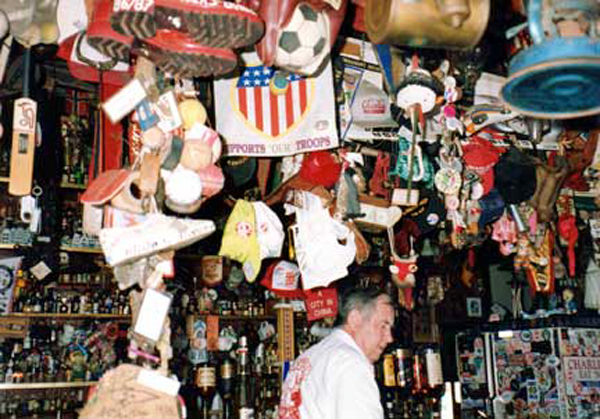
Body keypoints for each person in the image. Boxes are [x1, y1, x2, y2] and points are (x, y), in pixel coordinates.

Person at [279, 286, 395, 419]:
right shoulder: (351, 364)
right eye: (383, 326)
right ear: (355, 319)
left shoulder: (308, 357)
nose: (389, 338)